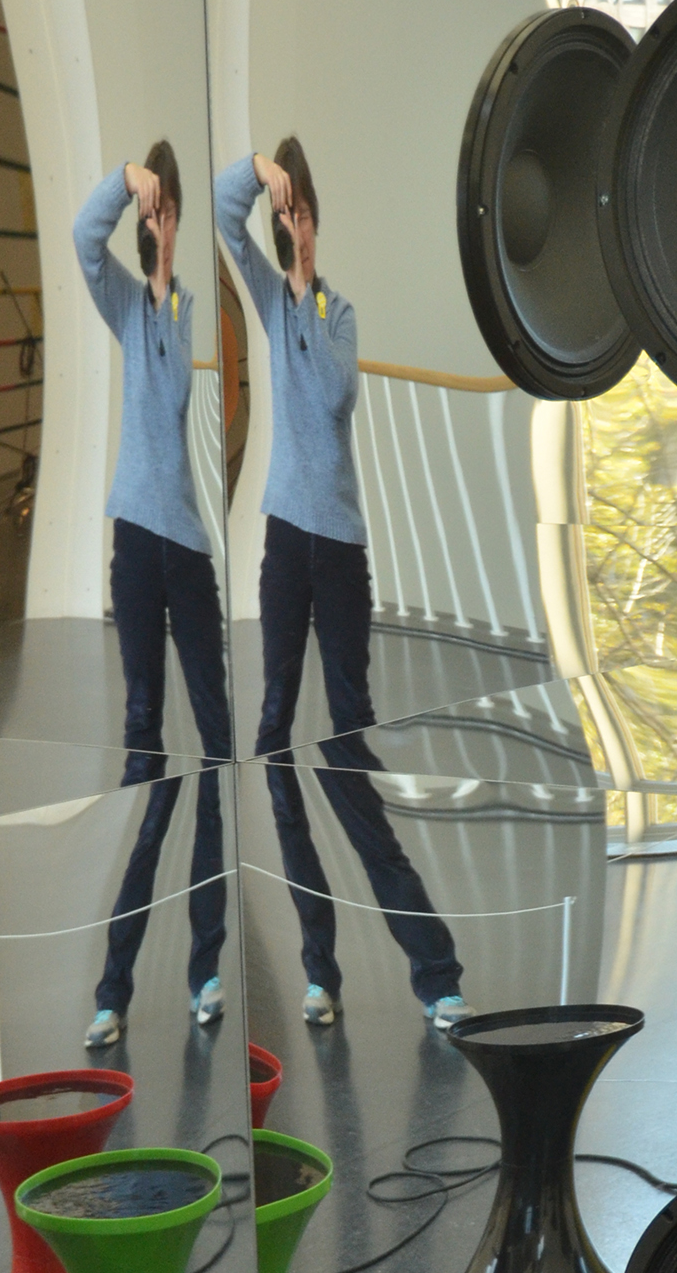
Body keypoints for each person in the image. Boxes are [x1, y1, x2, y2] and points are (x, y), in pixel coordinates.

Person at [215, 137, 468, 1032]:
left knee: (348, 746)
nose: (294, 226)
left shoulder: (337, 312)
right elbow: (222, 215)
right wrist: (259, 172)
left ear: (317, 224)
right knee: (275, 743)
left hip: (342, 551)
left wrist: (307, 284)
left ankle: (435, 972)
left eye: (304, 215)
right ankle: (319, 969)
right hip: (286, 543)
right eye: (287, 217)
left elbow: (327, 397)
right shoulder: (266, 291)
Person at [73, 141, 231, 1051]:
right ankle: (113, 989)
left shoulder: (173, 310)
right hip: (136, 544)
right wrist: (124, 183)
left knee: (215, 753)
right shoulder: (124, 303)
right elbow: (80, 240)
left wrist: (169, 262)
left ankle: (205, 969)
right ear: (141, 217)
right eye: (153, 211)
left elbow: (170, 386)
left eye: (169, 210)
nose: (158, 221)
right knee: (146, 754)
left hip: (189, 554)